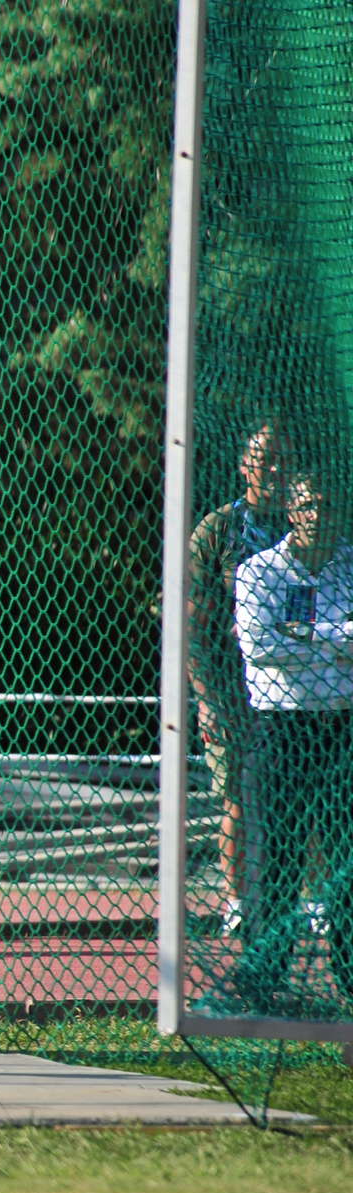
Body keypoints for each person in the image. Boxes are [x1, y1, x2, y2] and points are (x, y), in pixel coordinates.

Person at [229, 473, 353, 1009]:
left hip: (342, 729)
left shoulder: (350, 567)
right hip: (281, 729)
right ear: (289, 510)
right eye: (305, 505)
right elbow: (260, 646)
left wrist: (304, 637)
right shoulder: (259, 571)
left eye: (324, 505)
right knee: (275, 856)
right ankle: (262, 978)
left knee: (346, 857)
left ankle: (350, 977)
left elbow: (288, 642)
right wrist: (340, 636)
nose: (315, 516)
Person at [188, 424, 286, 936]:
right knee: (236, 798)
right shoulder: (218, 531)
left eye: (282, 458)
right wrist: (207, 701)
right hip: (232, 690)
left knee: (303, 796)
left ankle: (312, 902)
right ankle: (237, 901)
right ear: (245, 465)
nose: (274, 469)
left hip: (293, 687)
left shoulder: (307, 526)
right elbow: (191, 628)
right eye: (264, 458)